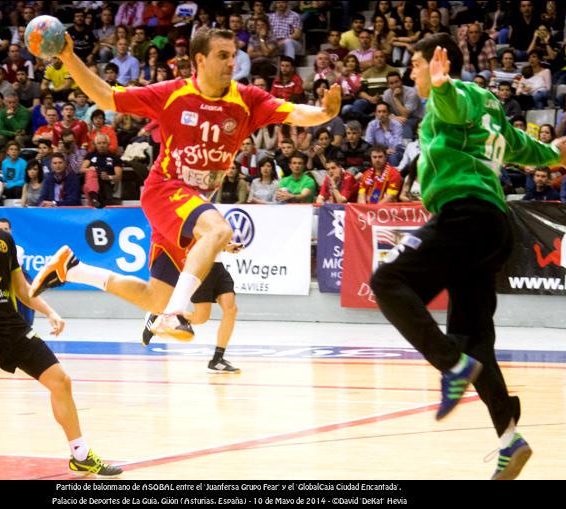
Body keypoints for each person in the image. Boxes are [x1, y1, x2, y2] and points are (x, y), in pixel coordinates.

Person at [30, 27, 340, 341]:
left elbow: (296, 112)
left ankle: (72, 269)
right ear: (200, 60)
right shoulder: (173, 93)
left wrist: (325, 112)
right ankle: (173, 315)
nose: (231, 63)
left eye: (233, 56)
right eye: (222, 56)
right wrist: (69, 58)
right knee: (219, 231)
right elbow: (106, 97)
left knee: (155, 297)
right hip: (164, 189)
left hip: (190, 203)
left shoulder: (247, 100)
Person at [369, 33, 566, 481]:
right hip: (493, 228)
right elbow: (519, 146)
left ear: (439, 63)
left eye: (418, 65)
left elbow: (452, 105)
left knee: (387, 282)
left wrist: (442, 87)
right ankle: (509, 438)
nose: (413, 73)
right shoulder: (490, 106)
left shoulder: (456, 94)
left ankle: (450, 364)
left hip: (465, 214)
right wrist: (553, 156)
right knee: (474, 336)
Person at [0, 177, 122, 480]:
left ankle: (80, 455)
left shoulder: (3, 239)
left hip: (13, 326)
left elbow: (22, 289)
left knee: (61, 382)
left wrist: (51, 311)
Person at [141, 251, 244, 373]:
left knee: (231, 309)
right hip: (201, 267)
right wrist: (225, 245)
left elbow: (216, 238)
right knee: (201, 318)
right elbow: (202, 238)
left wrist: (227, 246)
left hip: (218, 267)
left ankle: (217, 360)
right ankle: (159, 317)